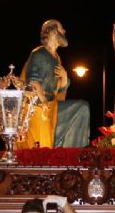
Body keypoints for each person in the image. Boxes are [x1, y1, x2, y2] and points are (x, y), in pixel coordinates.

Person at [20, 19, 90, 148]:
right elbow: (33, 81)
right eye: (61, 28)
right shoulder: (39, 54)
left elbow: (59, 94)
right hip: (39, 108)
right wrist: (43, 100)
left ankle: (73, 155)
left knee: (82, 108)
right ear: (53, 32)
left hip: (53, 106)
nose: (64, 31)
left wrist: (64, 79)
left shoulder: (57, 58)